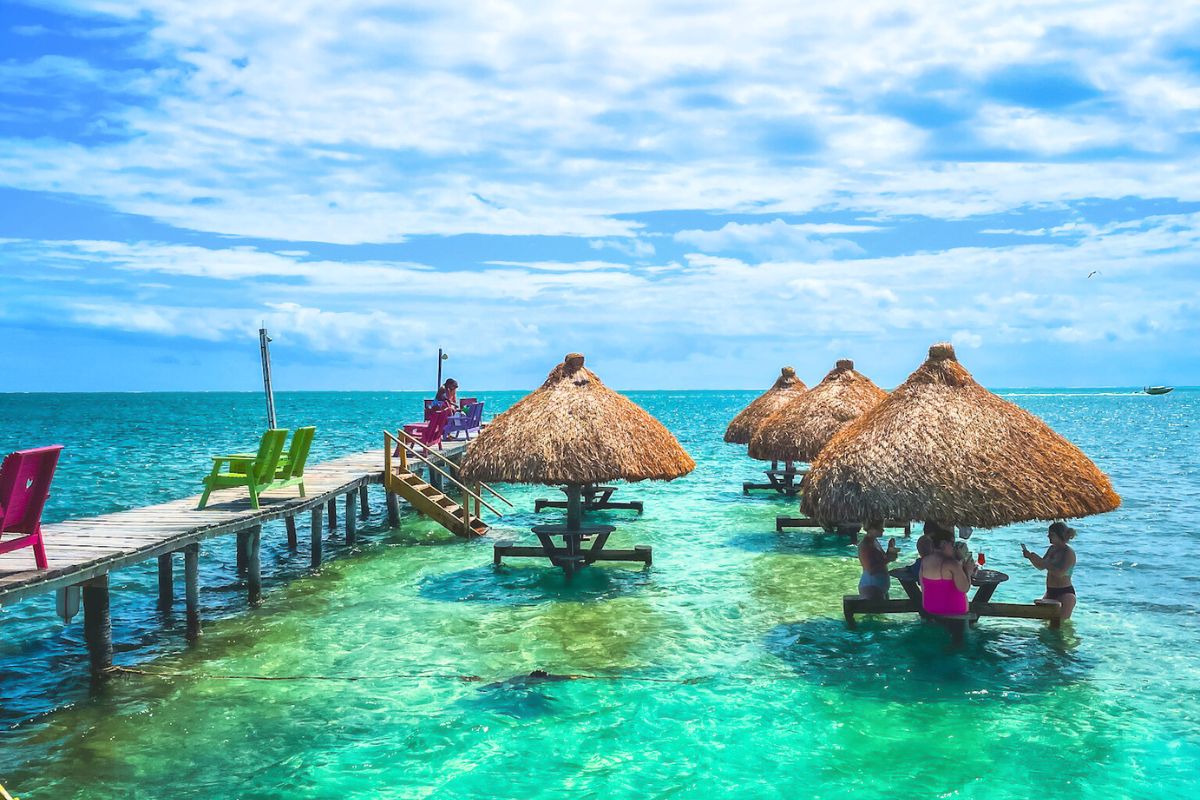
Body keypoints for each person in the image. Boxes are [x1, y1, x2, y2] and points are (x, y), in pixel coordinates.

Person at [1021, 521, 1078, 619]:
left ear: (1060, 535)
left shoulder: (1068, 552)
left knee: (1060, 624)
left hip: (1065, 593)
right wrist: (1030, 557)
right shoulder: (1052, 549)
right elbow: (1041, 567)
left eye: (1051, 534)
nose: (1048, 536)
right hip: (1050, 591)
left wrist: (1044, 562)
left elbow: (1060, 573)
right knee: (1043, 622)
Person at [919, 536, 970, 617]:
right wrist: (968, 570)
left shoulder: (925, 561)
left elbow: (923, 586)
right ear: (943, 544)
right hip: (955, 613)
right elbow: (964, 588)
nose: (953, 548)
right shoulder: (952, 564)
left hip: (930, 610)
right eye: (952, 545)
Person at [857, 520, 898, 600]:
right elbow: (871, 570)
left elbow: (881, 561)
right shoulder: (865, 545)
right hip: (871, 588)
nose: (883, 530)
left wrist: (890, 549)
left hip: (877, 587)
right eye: (880, 528)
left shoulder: (874, 541)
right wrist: (888, 559)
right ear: (872, 529)